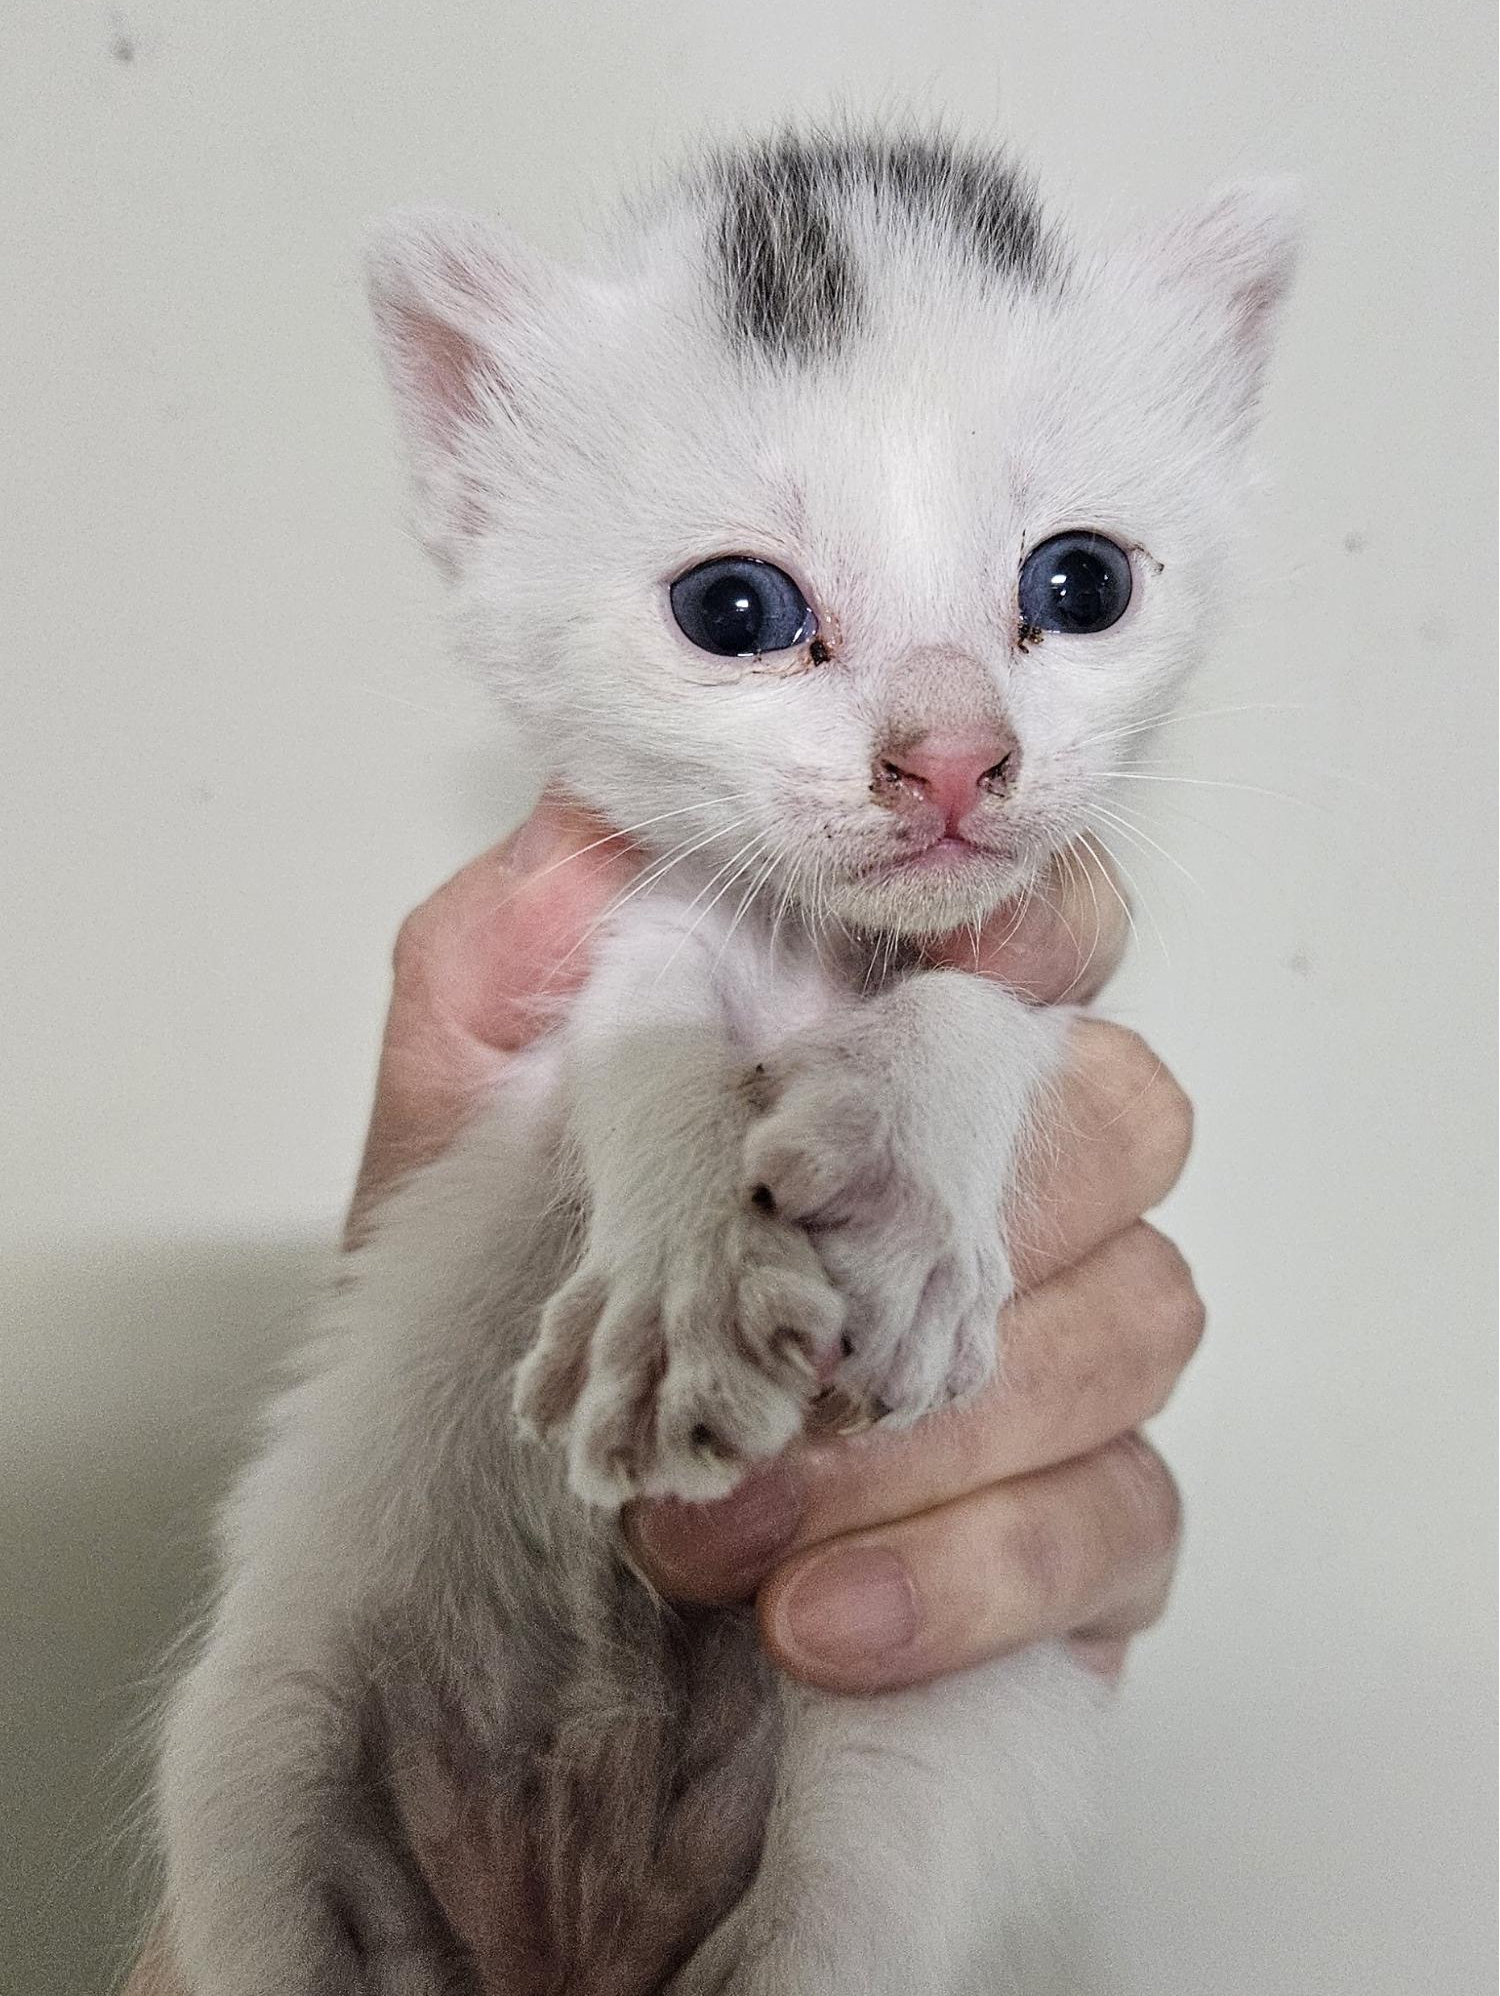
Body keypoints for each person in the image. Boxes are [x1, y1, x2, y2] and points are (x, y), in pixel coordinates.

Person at [125, 799, 1201, 1992]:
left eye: (1073, 599)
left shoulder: (961, 988)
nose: (955, 759)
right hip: (424, 1731)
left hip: (769, 1767)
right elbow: (650, 1019)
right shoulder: (636, 931)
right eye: (734, 607)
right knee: (252, 1746)